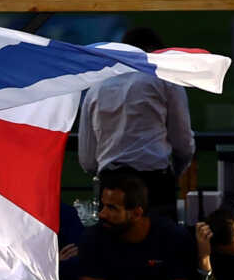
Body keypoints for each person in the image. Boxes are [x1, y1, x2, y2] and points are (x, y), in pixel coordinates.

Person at [75, 27, 194, 217]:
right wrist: (176, 171)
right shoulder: (165, 79)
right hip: (154, 183)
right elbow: (183, 141)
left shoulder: (96, 87)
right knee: (161, 242)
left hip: (110, 185)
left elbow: (88, 159)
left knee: (113, 244)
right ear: (157, 53)